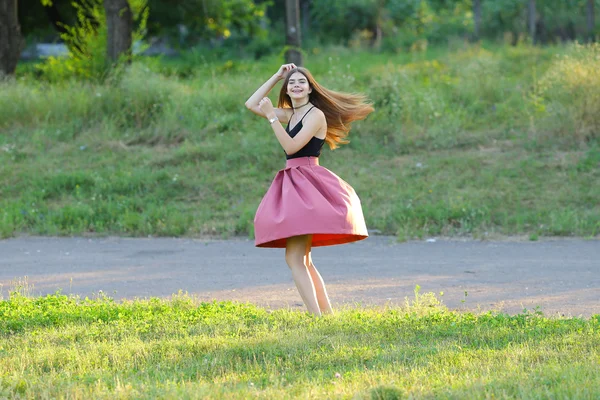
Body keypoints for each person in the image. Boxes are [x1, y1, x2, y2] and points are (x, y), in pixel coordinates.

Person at [244, 63, 374, 316]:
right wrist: (276, 76)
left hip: (307, 184)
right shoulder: (290, 114)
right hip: (295, 182)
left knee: (295, 259)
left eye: (301, 81)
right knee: (302, 260)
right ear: (287, 89)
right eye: (291, 82)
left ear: (310, 88)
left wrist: (272, 117)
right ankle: (326, 314)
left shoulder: (315, 115)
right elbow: (251, 104)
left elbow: (292, 148)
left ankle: (317, 316)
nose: (295, 85)